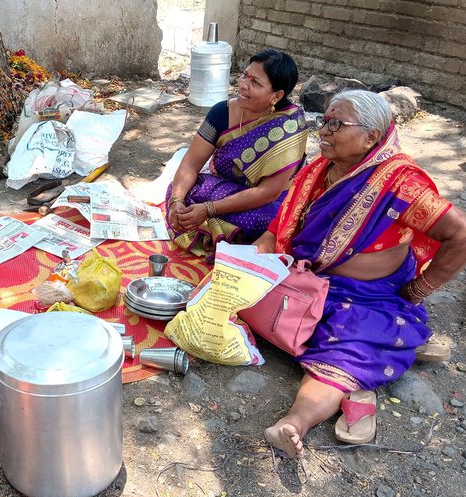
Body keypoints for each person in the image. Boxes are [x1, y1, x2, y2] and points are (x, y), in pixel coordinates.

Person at [256, 90, 466, 458]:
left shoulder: (401, 183)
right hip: (303, 279)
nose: (323, 130)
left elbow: (460, 234)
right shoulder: (318, 169)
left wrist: (418, 290)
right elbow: (280, 227)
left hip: (366, 296)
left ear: (371, 137)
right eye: (324, 121)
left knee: (343, 353)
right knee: (231, 299)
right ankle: (380, 356)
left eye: (336, 124)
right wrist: (254, 264)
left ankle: (295, 422)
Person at [166, 49, 309, 262]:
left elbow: (267, 192)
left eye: (256, 83)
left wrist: (208, 209)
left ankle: (217, 237)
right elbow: (190, 163)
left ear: (276, 96)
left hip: (265, 201)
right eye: (245, 75)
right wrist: (176, 202)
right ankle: (214, 234)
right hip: (225, 187)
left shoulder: (289, 126)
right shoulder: (221, 112)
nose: (243, 84)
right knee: (180, 191)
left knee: (263, 221)